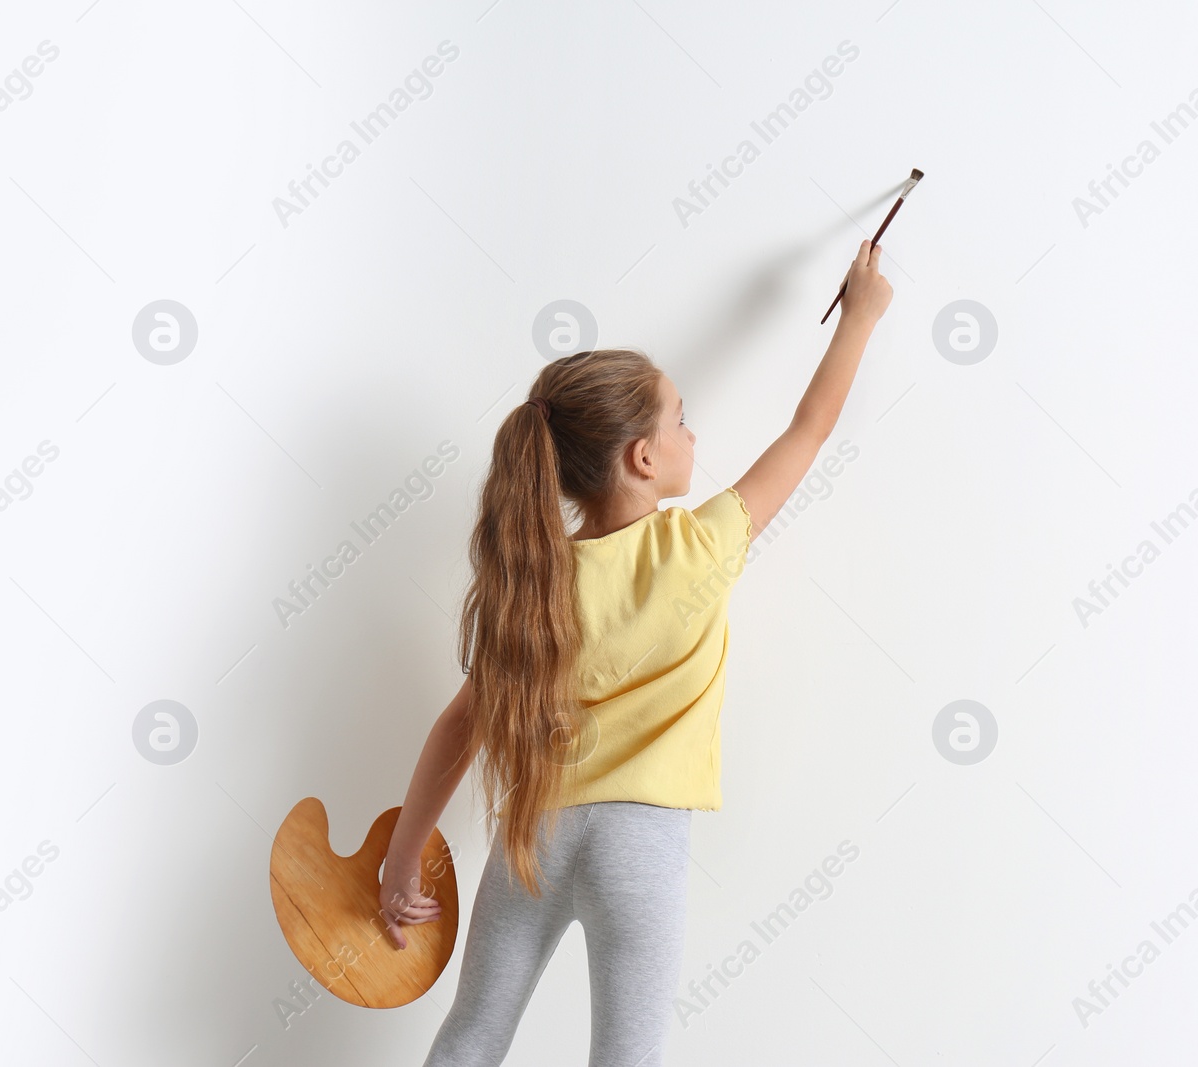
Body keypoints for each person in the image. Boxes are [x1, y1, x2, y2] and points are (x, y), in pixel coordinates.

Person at [379, 240, 892, 1066]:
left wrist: (403, 859)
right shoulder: (702, 546)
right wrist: (861, 316)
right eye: (681, 417)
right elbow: (811, 426)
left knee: (472, 1035)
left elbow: (456, 729)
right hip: (640, 845)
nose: (695, 430)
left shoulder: (534, 585)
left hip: (532, 834)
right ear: (643, 458)